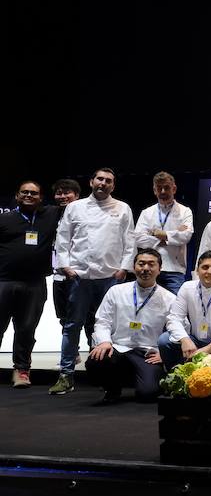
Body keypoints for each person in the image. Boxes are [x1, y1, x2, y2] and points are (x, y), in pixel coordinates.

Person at [51, 168, 135, 395]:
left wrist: (123, 269)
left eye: (109, 181)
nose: (103, 183)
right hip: (80, 276)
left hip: (110, 278)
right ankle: (66, 375)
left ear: (113, 186)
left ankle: (104, 376)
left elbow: (129, 240)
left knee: (109, 328)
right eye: (100, 179)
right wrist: (66, 266)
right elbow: (63, 238)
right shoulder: (74, 207)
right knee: (72, 326)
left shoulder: (122, 208)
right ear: (91, 182)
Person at [85, 249, 176, 402]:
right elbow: (103, 321)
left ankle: (143, 381)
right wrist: (104, 341)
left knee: (148, 393)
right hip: (118, 347)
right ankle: (113, 388)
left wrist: (164, 354)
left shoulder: (170, 299)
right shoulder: (116, 291)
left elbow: (180, 330)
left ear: (159, 269)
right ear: (134, 267)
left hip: (147, 353)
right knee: (96, 360)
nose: (145, 268)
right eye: (141, 264)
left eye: (151, 264)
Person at [0, 181, 62, 387]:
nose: (29, 195)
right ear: (17, 196)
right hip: (4, 281)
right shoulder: (4, 219)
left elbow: (73, 204)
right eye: (24, 192)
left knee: (26, 329)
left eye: (33, 193)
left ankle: (21, 370)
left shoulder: (50, 215)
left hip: (35, 283)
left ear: (41, 198)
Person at [134, 172, 194, 294]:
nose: (162, 191)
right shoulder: (147, 212)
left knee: (176, 309)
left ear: (174, 188)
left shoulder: (185, 211)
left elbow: (186, 236)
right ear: (154, 190)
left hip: (175, 270)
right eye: (159, 188)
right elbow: (138, 239)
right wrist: (170, 236)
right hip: (150, 268)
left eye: (166, 187)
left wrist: (158, 234)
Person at [50, 178, 81, 330]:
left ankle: (94, 352)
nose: (62, 196)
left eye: (67, 193)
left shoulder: (84, 215)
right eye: (59, 193)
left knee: (88, 316)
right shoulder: (51, 215)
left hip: (80, 274)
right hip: (58, 275)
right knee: (64, 318)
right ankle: (72, 353)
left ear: (77, 195)